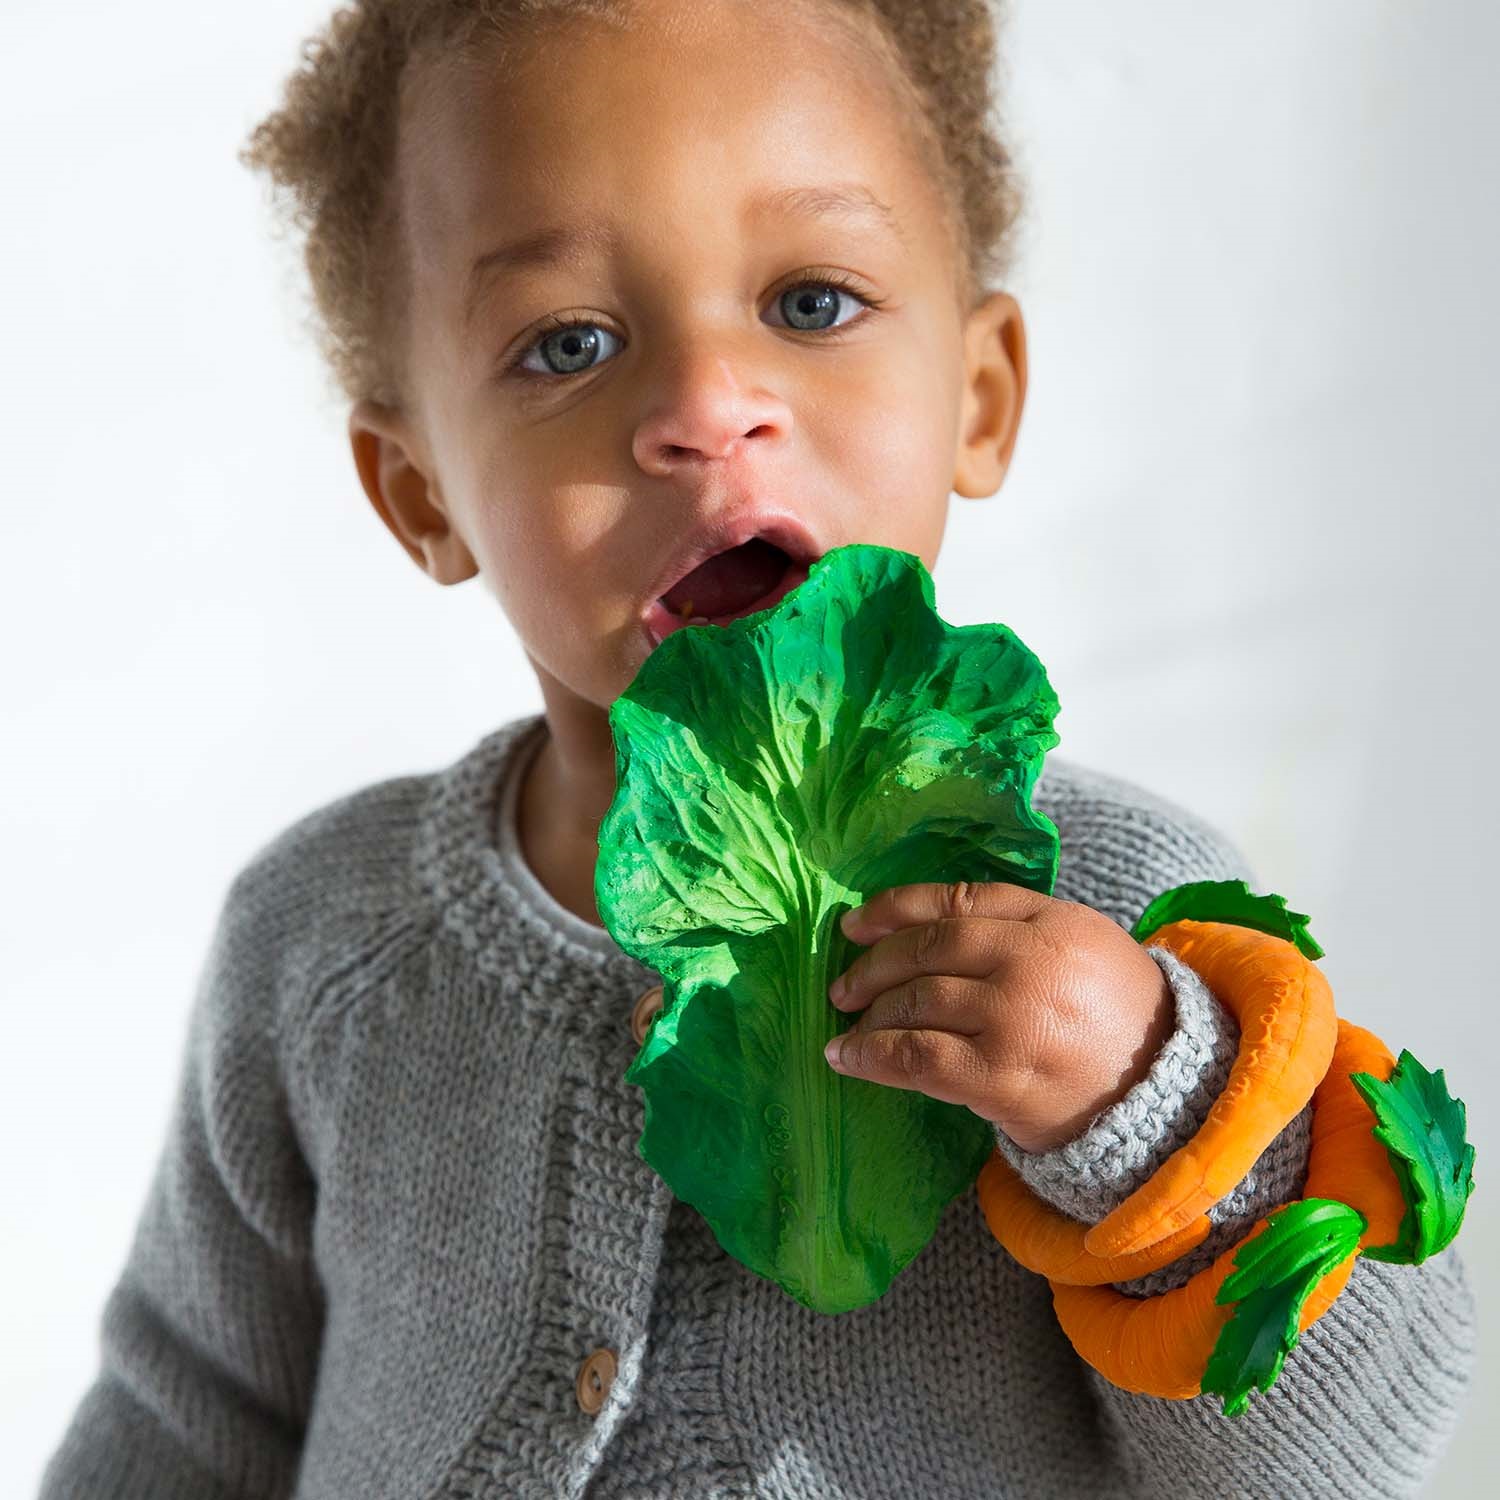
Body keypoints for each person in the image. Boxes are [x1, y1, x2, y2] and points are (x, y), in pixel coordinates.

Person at [39, 1, 1477, 1495]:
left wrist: (1147, 1107)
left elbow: (1342, 1455)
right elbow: (185, 1410)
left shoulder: (1118, 909)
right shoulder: (322, 937)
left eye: (811, 303)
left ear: (978, 400)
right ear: (421, 496)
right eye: (569, 343)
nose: (707, 407)